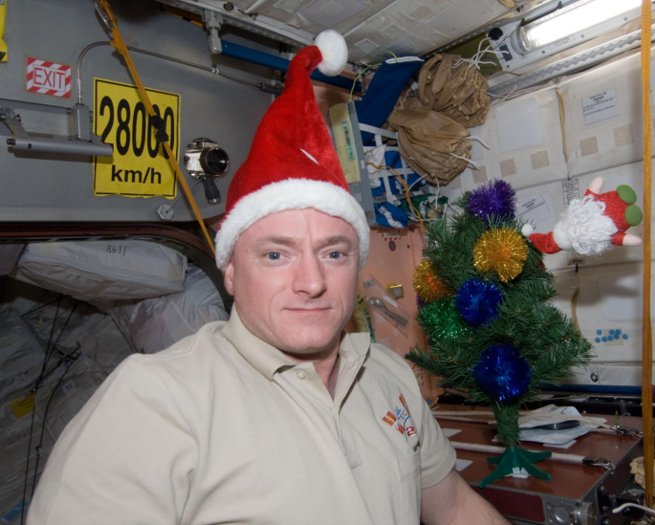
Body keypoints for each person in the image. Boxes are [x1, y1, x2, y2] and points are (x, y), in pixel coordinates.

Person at [28, 30, 509, 525]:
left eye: (334, 253)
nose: (312, 281)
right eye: (277, 254)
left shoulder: (388, 376)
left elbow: (451, 507)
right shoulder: (154, 403)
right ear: (231, 271)